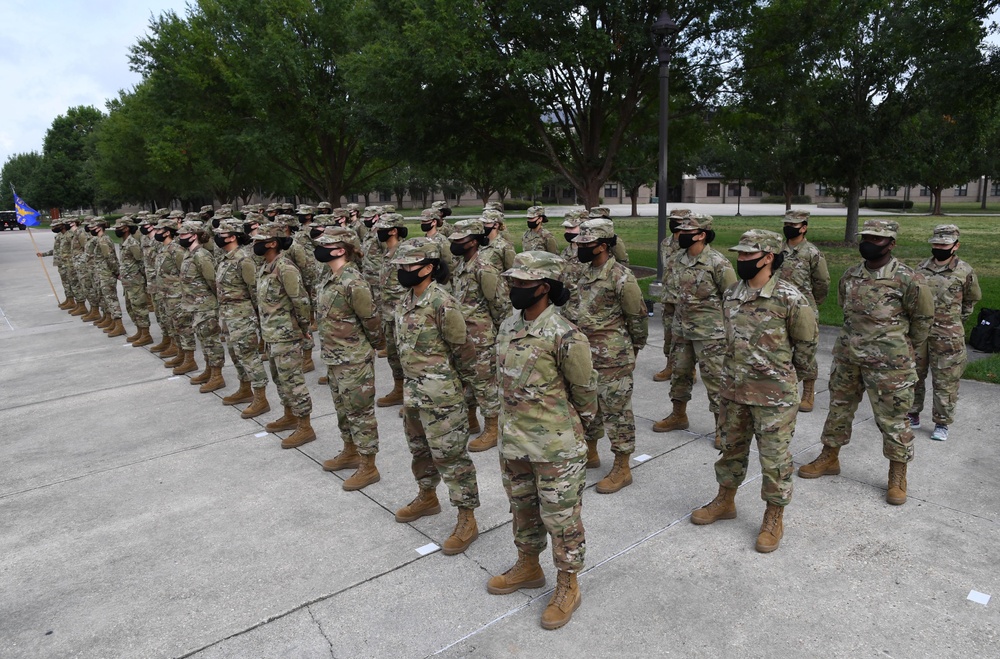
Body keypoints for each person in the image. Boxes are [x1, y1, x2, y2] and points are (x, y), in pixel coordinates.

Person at [488, 250, 597, 630]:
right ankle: (528, 566)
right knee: (522, 510)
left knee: (562, 519)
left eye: (521, 283)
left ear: (544, 288)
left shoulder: (566, 335)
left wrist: (576, 436)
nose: (513, 288)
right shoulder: (506, 326)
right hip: (514, 442)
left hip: (554, 448)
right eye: (512, 281)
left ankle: (568, 584)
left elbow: (585, 393)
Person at [691, 230, 818, 553]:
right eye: (741, 254)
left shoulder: (791, 299)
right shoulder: (732, 294)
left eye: (750, 255)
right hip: (734, 390)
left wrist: (787, 381)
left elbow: (805, 349)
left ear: (769, 257)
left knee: (774, 460)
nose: (742, 259)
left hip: (774, 397)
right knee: (731, 450)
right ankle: (725, 501)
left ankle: (774, 516)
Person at [799, 219, 933, 506]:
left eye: (876, 238)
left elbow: (922, 322)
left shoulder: (909, 279)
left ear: (892, 243)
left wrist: (898, 348)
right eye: (866, 237)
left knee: (893, 420)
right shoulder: (850, 276)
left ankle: (897, 474)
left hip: (890, 365)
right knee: (838, 410)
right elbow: (846, 311)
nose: (868, 243)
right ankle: (830, 456)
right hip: (849, 358)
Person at [391, 237, 482, 555]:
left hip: (442, 397)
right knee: (419, 452)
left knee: (452, 459)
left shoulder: (442, 303)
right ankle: (427, 497)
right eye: (399, 266)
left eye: (408, 266)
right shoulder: (405, 299)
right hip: (414, 395)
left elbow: (464, 350)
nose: (402, 271)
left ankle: (466, 518)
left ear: (429, 268)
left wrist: (476, 392)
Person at [564, 218, 647, 492]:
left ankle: (622, 467)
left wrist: (631, 350)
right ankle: (590, 451)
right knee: (587, 407)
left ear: (602, 245)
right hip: (585, 355)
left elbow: (637, 317)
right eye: (580, 243)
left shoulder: (621, 277)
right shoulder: (583, 273)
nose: (581, 248)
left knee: (617, 412)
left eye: (587, 244)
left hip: (613, 358)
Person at [654, 213, 737, 448]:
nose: (680, 234)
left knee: (715, 382)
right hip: (681, 329)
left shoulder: (718, 263)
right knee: (679, 376)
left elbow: (732, 299)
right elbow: (672, 291)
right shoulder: (676, 259)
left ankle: (722, 428)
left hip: (710, 334)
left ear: (701, 234)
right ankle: (678, 415)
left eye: (687, 231)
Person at [314, 226, 385, 490]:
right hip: (334, 357)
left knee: (360, 413)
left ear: (340, 250)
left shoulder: (353, 282)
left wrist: (376, 345)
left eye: (325, 245)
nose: (319, 249)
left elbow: (371, 320)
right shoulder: (330, 277)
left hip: (353, 359)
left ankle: (369, 465)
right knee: (343, 410)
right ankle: (350, 450)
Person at [908, 224, 981, 441]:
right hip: (920, 333)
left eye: (944, 244)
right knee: (914, 375)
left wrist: (955, 320)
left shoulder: (964, 271)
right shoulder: (920, 268)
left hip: (948, 335)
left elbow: (971, 300)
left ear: (955, 246)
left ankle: (942, 422)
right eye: (936, 244)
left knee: (946, 379)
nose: (939, 247)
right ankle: (912, 413)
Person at [254, 222, 316, 449]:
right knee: (280, 380)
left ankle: (305, 426)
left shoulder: (285, 268)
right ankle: (289, 415)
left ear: (272, 243)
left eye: (259, 240)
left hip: (287, 335)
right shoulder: (265, 267)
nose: (254, 243)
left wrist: (303, 329)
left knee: (294, 382)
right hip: (272, 335)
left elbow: (300, 301)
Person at [448, 219, 508, 451]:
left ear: (473, 242)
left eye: (460, 240)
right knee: (467, 380)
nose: (454, 244)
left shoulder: (484, 268)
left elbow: (500, 304)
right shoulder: (461, 264)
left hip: (481, 336)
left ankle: (492, 428)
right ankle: (470, 419)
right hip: (462, 335)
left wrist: (501, 336)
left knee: (485, 384)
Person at [214, 218, 271, 417]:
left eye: (221, 234)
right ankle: (244, 388)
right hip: (228, 316)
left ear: (232, 236)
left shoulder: (243, 260)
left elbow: (255, 291)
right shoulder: (225, 258)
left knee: (248, 355)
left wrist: (259, 318)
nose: (218, 237)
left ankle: (260, 398)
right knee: (235, 353)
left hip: (242, 315)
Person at [778, 210, 830, 412]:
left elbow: (822, 282)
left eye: (794, 224)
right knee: (779, 349)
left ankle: (808, 392)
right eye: (787, 224)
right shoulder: (776, 249)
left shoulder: (811, 253)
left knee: (804, 353)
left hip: (803, 309)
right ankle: (782, 389)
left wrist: (812, 303)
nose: (789, 227)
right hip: (779, 307)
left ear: (804, 227)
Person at [177, 221, 226, 392]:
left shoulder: (202, 255)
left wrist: (215, 303)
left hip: (206, 306)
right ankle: (208, 370)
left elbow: (213, 281)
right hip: (194, 306)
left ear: (194, 235)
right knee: (204, 341)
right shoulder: (189, 254)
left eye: (183, 234)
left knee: (211, 342)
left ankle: (217, 376)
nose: (180, 237)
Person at [374, 213, 410, 407]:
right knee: (394, 355)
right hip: (388, 313)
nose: (378, 232)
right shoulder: (387, 252)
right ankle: (399, 389)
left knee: (407, 356)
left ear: (393, 230)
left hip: (403, 313)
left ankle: (412, 398)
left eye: (382, 228)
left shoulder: (405, 252)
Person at [653, 209, 692, 382]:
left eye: (678, 221)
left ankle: (689, 369)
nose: (674, 223)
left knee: (686, 335)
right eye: (672, 220)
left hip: (685, 297)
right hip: (668, 295)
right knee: (668, 333)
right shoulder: (665, 243)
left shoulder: (691, 244)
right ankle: (670, 365)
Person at [114, 217, 153, 347]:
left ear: (127, 228)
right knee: (131, 307)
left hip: (135, 281)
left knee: (139, 308)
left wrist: (143, 280)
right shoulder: (124, 242)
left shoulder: (132, 243)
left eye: (120, 228)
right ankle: (139, 331)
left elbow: (141, 262)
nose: (117, 230)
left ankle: (146, 334)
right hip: (128, 282)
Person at [91, 217, 126, 338]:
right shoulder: (100, 239)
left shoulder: (104, 240)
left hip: (107, 274)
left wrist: (116, 272)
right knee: (106, 299)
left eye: (93, 227)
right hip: (102, 274)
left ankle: (119, 325)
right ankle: (112, 322)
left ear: (99, 228)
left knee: (111, 300)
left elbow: (110, 258)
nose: (91, 229)